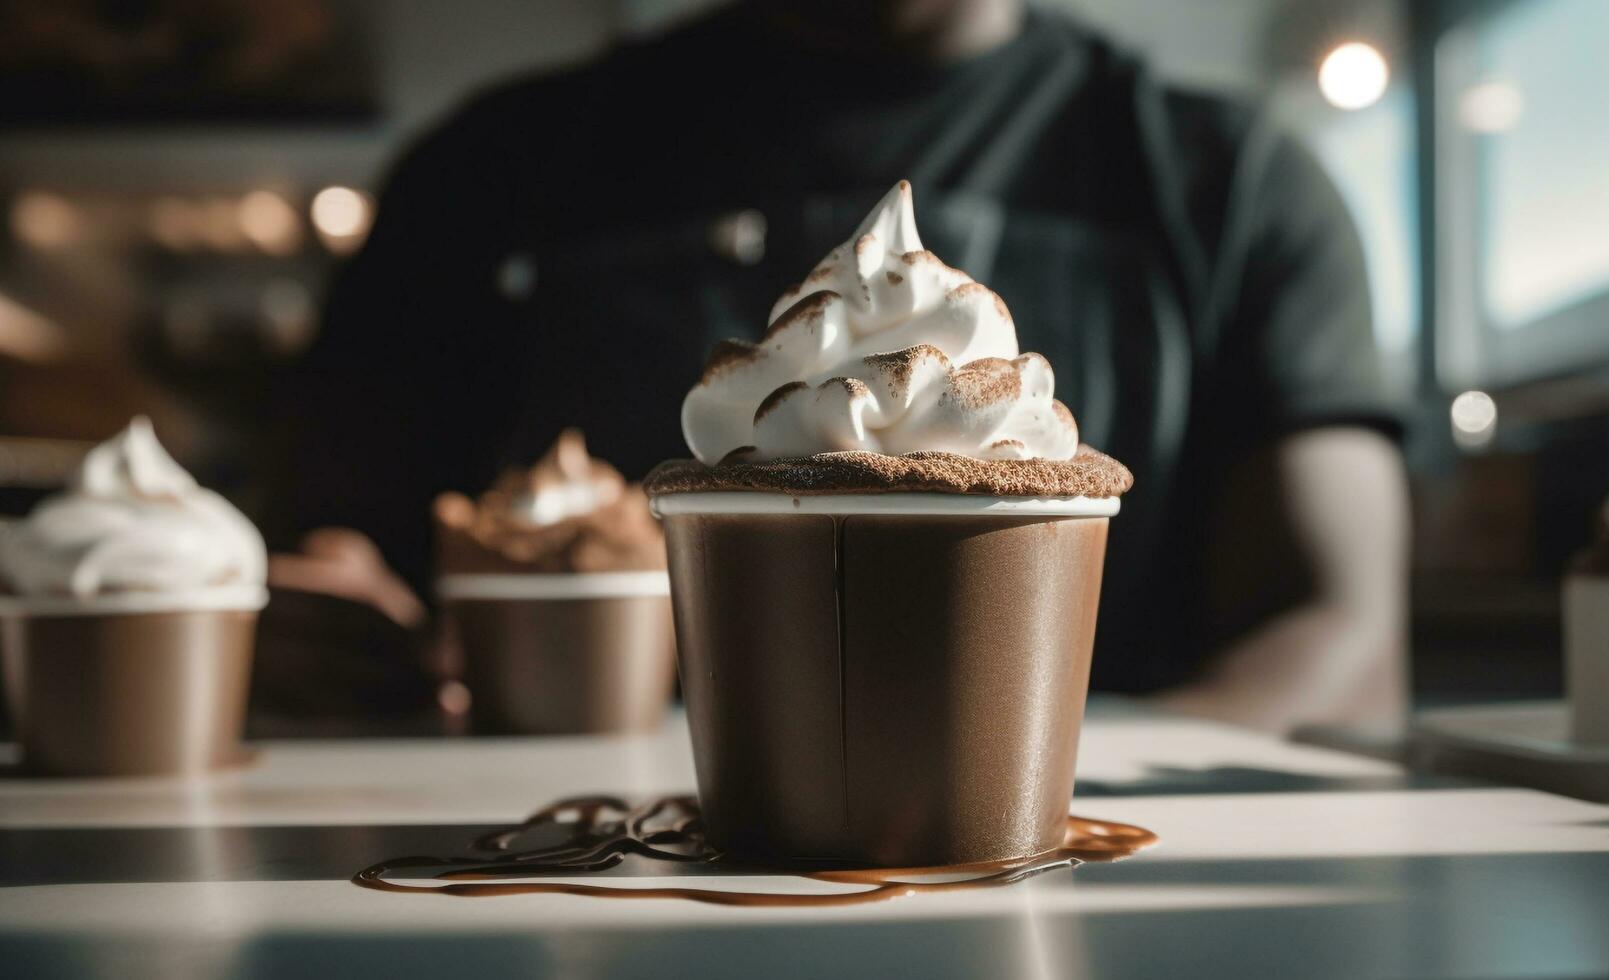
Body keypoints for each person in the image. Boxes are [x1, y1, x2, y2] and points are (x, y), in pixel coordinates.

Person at [274, 0, 1410, 734]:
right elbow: (334, 551)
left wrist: (1043, 797)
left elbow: (1341, 634)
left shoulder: (1230, 181)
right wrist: (322, 620)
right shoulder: (491, 171)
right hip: (588, 857)